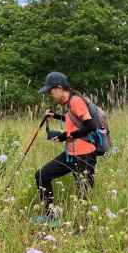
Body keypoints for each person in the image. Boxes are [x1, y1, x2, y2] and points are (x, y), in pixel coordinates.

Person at [33, 72, 97, 224]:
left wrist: (64, 136)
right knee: (42, 175)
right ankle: (50, 217)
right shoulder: (69, 104)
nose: (50, 94)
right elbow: (75, 121)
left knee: (83, 196)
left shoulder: (75, 101)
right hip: (71, 153)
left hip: (85, 155)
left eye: (51, 91)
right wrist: (55, 116)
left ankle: (84, 230)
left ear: (60, 88)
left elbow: (91, 126)